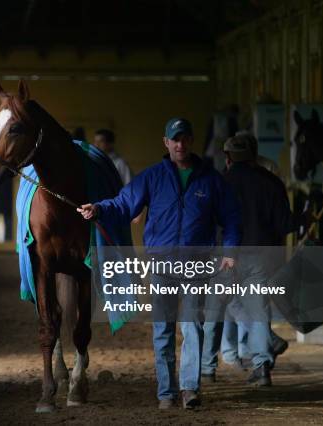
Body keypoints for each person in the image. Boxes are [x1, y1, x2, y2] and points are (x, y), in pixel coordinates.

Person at [78, 118, 241, 410]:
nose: (180, 144)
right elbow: (123, 204)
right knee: (163, 329)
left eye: (185, 139)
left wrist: (230, 251)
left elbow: (231, 218)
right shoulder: (152, 177)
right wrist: (99, 208)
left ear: (191, 141)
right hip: (162, 265)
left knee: (193, 327)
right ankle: (166, 392)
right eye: (174, 139)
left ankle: (190, 389)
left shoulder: (211, 179)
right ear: (165, 143)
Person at [201, 133, 295, 387]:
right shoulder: (271, 182)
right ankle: (262, 369)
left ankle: (207, 369)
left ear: (228, 157)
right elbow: (285, 224)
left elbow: (205, 224)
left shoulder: (216, 183)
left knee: (214, 312)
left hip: (224, 257)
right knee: (258, 312)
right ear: (254, 155)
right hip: (261, 259)